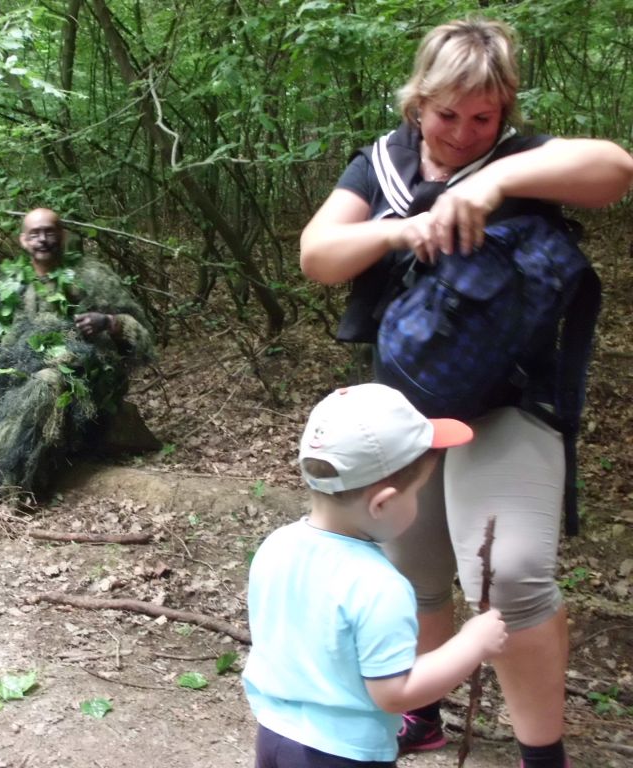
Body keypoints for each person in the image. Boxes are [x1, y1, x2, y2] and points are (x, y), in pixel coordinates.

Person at [299, 19, 633, 768]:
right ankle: (419, 714)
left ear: (504, 109)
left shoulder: (520, 158)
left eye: (483, 117)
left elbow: (615, 169)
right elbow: (318, 255)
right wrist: (402, 231)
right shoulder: (380, 166)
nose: (461, 133)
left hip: (510, 398)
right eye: (446, 114)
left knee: (509, 575)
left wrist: (496, 181)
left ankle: (542, 755)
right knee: (410, 574)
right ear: (418, 101)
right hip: (408, 402)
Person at [242, 383, 507, 767]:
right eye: (416, 493)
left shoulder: (276, 546)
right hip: (341, 755)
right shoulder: (379, 586)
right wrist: (472, 644)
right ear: (382, 503)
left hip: (274, 736)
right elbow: (395, 693)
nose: (417, 503)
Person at [0, 207, 154, 495]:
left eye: (49, 232)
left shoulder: (93, 277)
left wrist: (109, 322)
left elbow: (142, 335)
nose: (43, 240)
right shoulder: (13, 284)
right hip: (22, 367)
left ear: (63, 235)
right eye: (35, 234)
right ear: (24, 240)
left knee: (45, 382)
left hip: (84, 379)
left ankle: (3, 476)